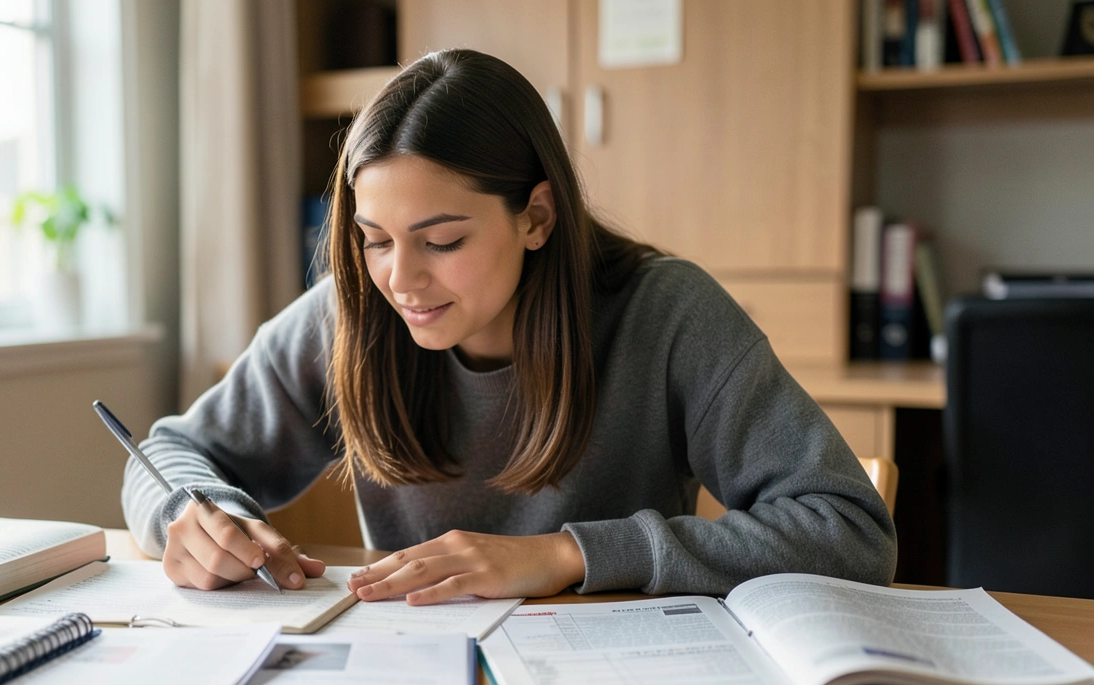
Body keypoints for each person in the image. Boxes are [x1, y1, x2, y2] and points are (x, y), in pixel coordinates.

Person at [122, 49, 896, 605]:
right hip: (412, 681)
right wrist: (186, 513)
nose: (400, 280)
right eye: (375, 238)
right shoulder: (350, 313)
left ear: (535, 216)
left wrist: (566, 554)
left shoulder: (666, 315)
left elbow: (851, 530)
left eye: (443, 240)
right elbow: (168, 451)